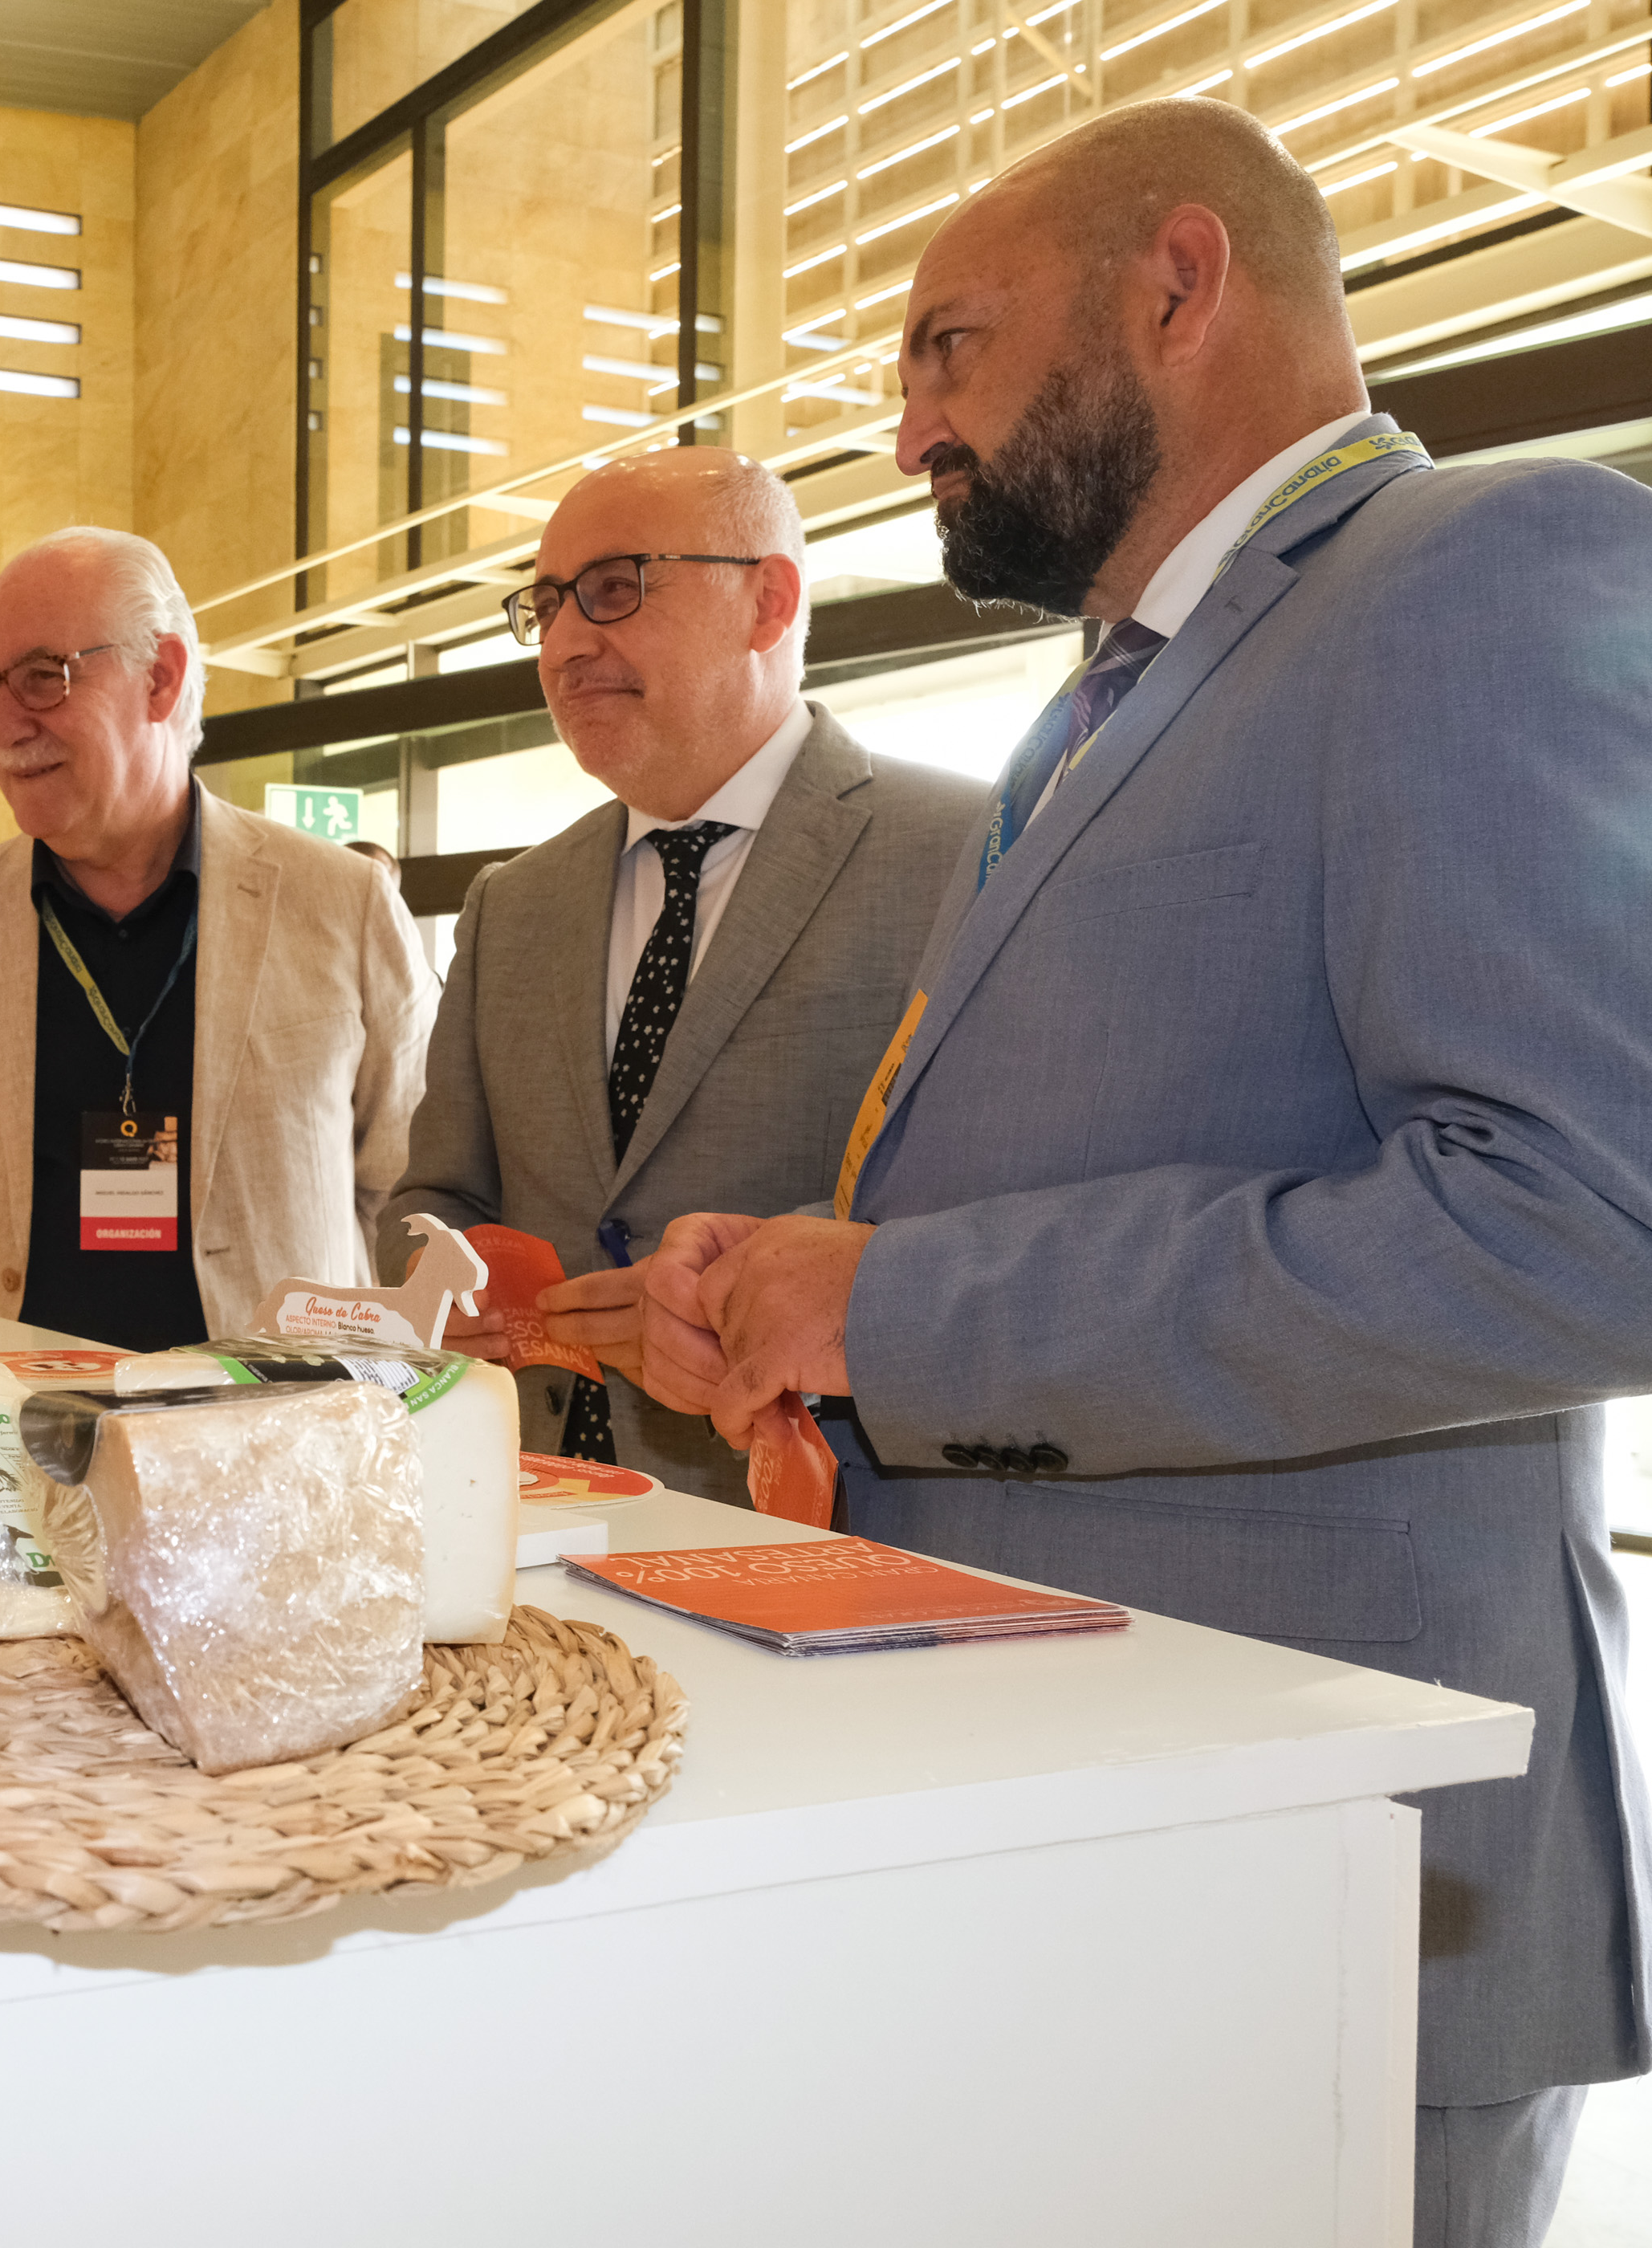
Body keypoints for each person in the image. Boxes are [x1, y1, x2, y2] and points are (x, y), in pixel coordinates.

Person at [631, 100, 1652, 2245]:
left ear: (1180, 285)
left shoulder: (1477, 567)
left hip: (1347, 1871)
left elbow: (1586, 1225)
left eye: (951, 349)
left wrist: (900, 1315)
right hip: (1124, 1840)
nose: (912, 425)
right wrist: (823, 1289)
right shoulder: (1099, 705)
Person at [382, 449, 979, 1501]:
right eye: (546, 605)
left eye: (614, 590)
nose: (566, 641)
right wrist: (446, 1278)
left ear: (769, 599)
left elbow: (990, 1207)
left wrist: (741, 1296)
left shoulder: (964, 854)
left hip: (835, 1530)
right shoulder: (511, 906)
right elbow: (436, 1192)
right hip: (536, 1516)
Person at [0, 526, 429, 1350]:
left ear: (161, 679)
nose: (0, 724)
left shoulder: (343, 904)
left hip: (263, 1436)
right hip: (7, 1434)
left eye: (42, 678)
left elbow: (404, 1184)